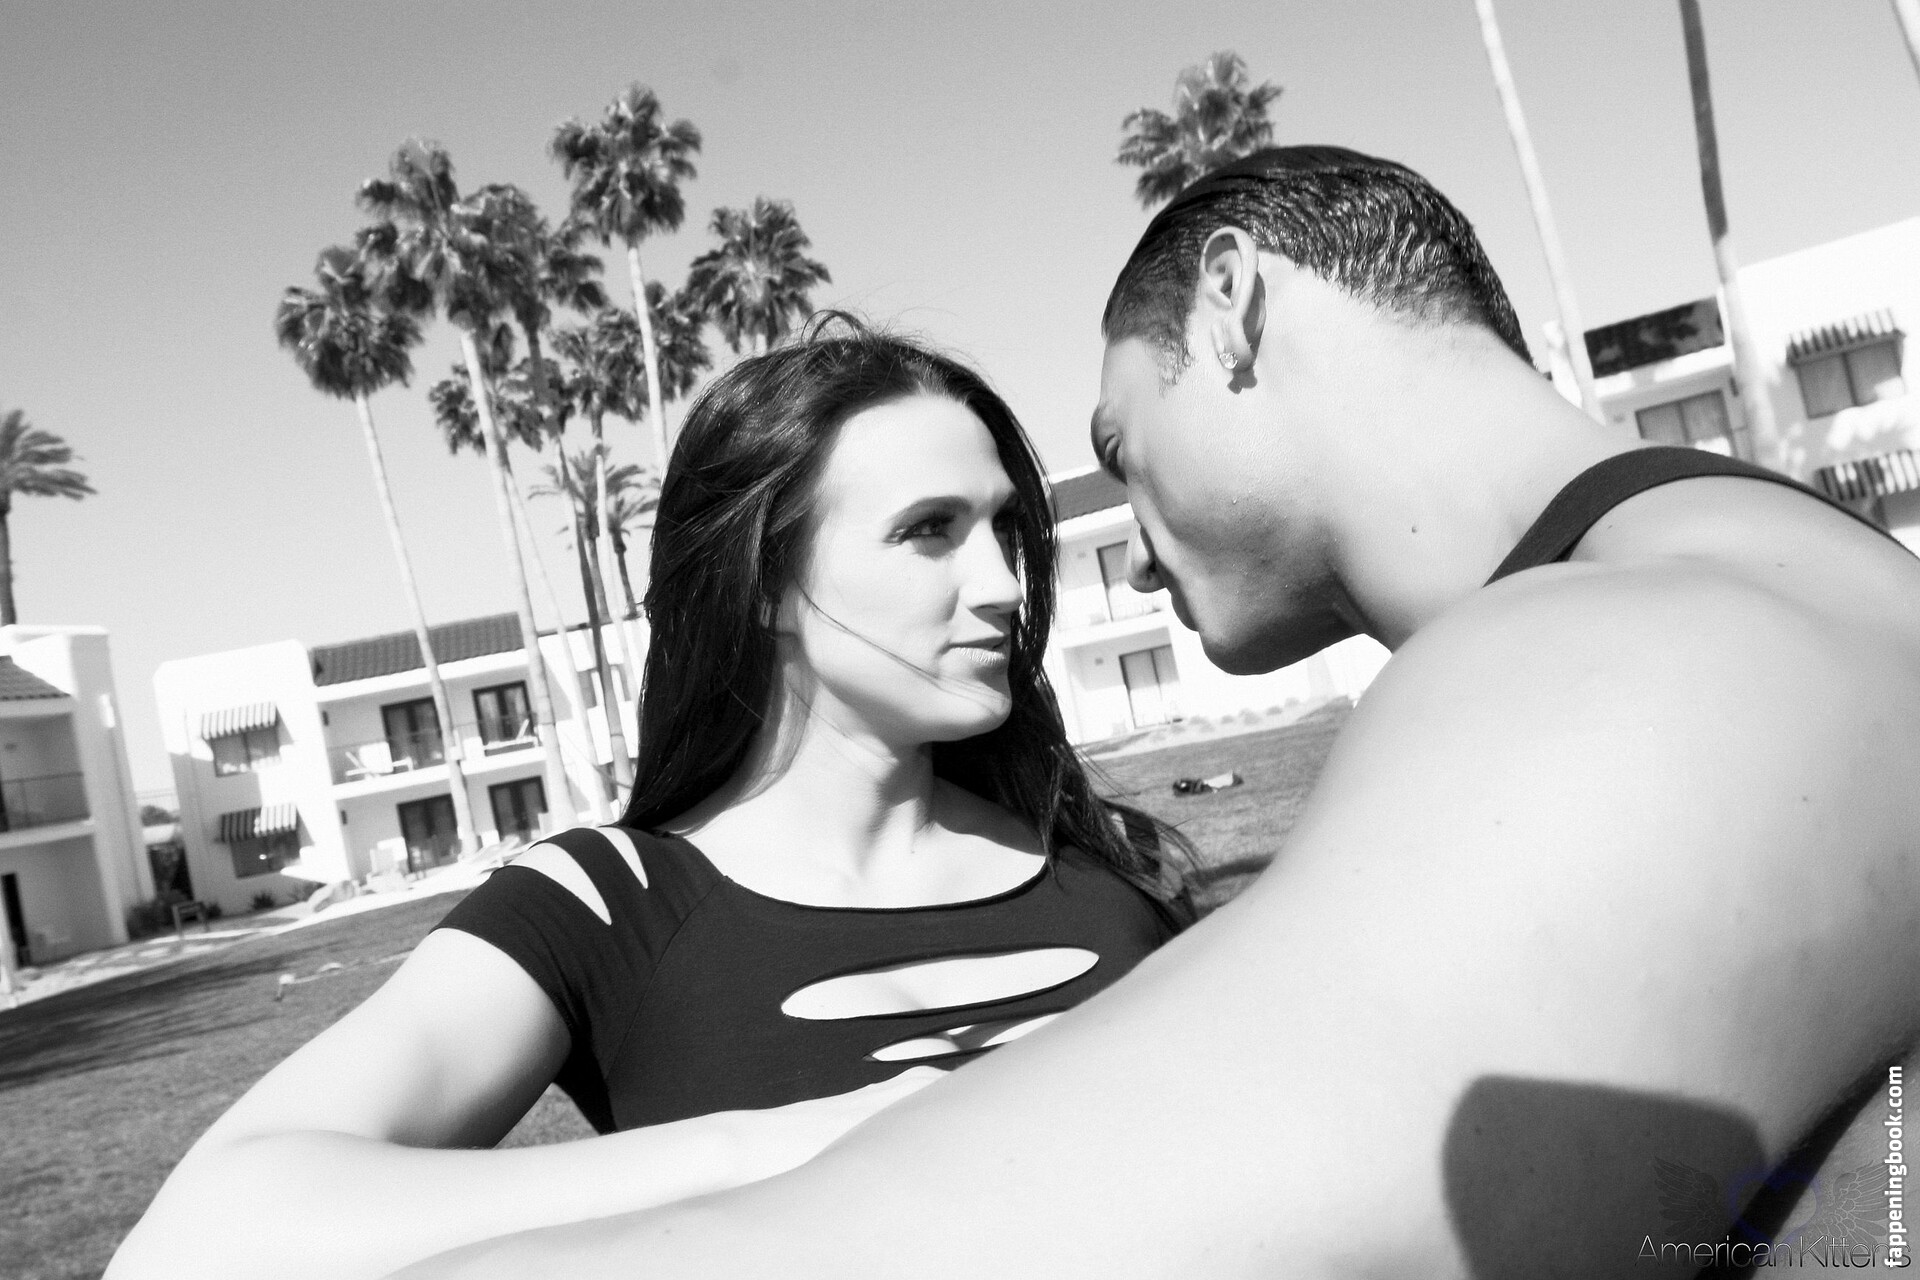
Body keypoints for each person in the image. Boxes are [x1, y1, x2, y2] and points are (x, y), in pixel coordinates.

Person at [390, 147, 1920, 1279]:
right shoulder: (1771, 576)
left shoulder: (1616, 660)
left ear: (1233, 305)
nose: (1101, 541)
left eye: (1120, 447)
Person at [107, 323, 1194, 1280]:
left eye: (1002, 527)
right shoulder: (605, 906)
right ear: (764, 582)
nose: (1003, 583)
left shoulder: (1112, 877)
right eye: (930, 529)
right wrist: (784, 1144)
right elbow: (205, 1240)